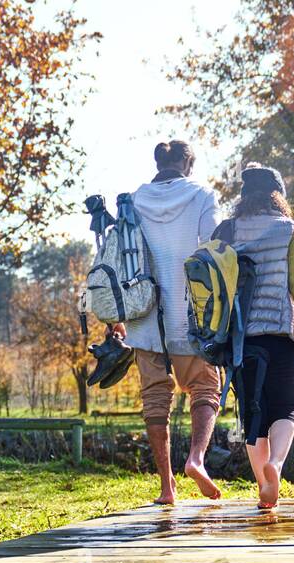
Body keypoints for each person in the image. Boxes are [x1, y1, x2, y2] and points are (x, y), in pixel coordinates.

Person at [213, 164, 294, 509]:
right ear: (277, 195)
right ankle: (277, 466)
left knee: (252, 414)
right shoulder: (288, 229)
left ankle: (263, 487)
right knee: (285, 408)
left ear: (244, 196)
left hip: (240, 339)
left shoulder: (226, 229)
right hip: (281, 334)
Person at [111, 140, 224, 505]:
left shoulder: (133, 200)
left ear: (157, 163)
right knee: (206, 388)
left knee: (155, 398)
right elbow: (214, 247)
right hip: (191, 315)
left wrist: (115, 318)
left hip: (143, 317)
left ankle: (166, 487)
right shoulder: (203, 195)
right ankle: (196, 459)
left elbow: (118, 257)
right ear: (187, 163)